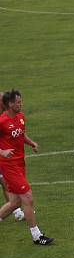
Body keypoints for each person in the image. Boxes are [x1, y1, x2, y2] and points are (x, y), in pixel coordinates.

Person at [0, 90, 54, 245]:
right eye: (18, 102)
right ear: (9, 104)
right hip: (9, 166)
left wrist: (31, 143)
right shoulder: (2, 121)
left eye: (21, 101)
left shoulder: (21, 117)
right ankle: (37, 236)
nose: (20, 104)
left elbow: (21, 134)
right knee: (28, 197)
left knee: (16, 202)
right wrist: (2, 151)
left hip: (19, 163)